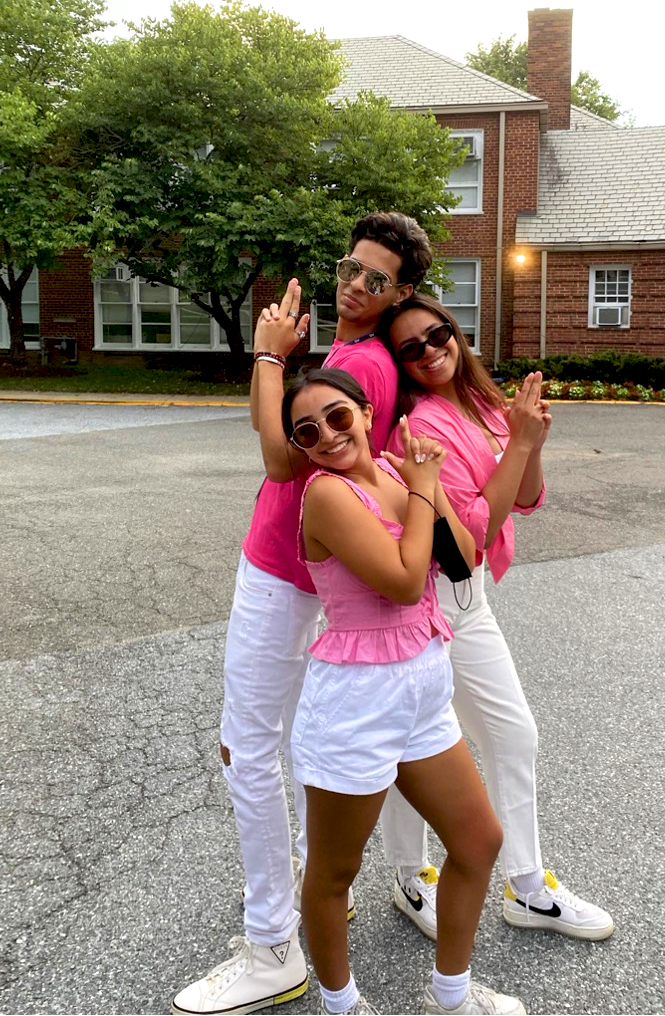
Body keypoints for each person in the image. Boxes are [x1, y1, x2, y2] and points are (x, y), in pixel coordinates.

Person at [172, 212, 435, 1016]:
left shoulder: (359, 361)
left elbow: (280, 454)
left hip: (282, 571)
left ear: (402, 293)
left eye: (375, 279)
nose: (354, 285)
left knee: (247, 748)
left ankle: (272, 949)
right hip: (302, 569)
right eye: (350, 268)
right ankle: (309, 895)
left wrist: (267, 356)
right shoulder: (363, 355)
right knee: (283, 744)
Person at [282, 366, 524, 1016]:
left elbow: (460, 556)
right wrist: (422, 488)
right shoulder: (326, 496)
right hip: (355, 704)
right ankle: (342, 1006)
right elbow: (402, 581)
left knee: (478, 842)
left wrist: (429, 485)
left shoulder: (397, 472)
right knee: (334, 873)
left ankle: (451, 997)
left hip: (422, 690)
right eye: (307, 432)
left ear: (366, 413)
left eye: (337, 416)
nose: (328, 435)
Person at [377, 293, 614, 942]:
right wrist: (520, 442)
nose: (430, 352)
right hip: (429, 595)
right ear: (399, 363)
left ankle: (523, 888)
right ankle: (416, 876)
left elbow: (526, 498)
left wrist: (529, 442)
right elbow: (475, 531)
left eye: (436, 335)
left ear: (454, 331)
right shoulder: (420, 427)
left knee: (501, 735)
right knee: (420, 742)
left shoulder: (480, 403)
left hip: (467, 596)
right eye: (410, 349)